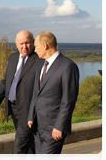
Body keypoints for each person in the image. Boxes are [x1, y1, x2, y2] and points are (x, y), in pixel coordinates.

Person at [0, 30, 42, 160]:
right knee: (28, 143)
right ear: (16, 44)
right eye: (21, 44)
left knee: (19, 146)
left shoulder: (40, 59)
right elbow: (6, 81)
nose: (24, 47)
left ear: (33, 42)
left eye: (27, 43)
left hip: (28, 109)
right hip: (13, 107)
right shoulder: (13, 57)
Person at [27, 31, 79, 160]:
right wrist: (31, 116)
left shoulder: (68, 66)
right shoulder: (40, 65)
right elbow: (36, 94)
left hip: (54, 128)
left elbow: (69, 100)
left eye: (36, 46)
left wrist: (59, 126)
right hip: (37, 127)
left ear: (45, 46)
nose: (34, 50)